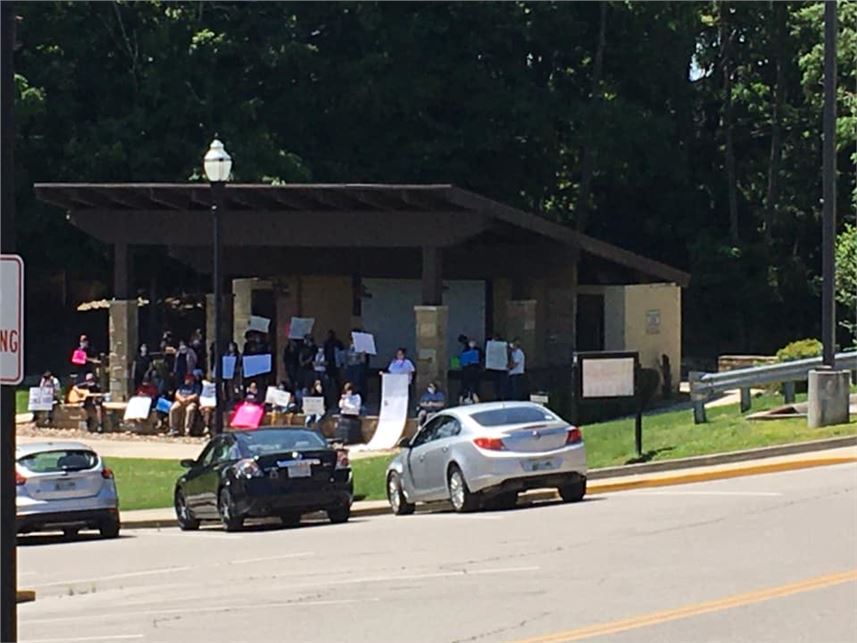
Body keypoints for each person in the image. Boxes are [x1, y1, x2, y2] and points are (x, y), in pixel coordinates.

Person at [459, 339, 481, 404]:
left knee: (473, 390)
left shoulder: (478, 350)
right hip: (467, 373)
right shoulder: (465, 351)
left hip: (473, 373)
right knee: (465, 389)